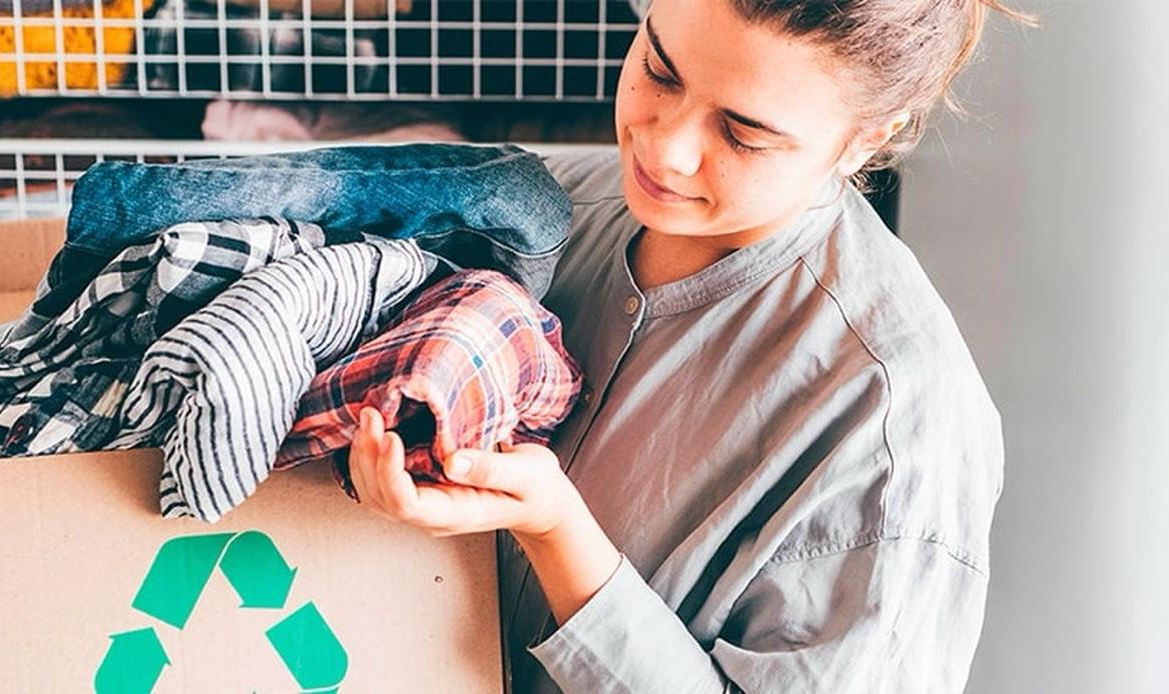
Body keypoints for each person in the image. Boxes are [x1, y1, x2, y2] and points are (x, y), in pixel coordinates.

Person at [344, 0, 1034, 691]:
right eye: (659, 70)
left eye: (743, 134)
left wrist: (557, 534)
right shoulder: (549, 208)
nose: (665, 149)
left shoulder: (894, 427)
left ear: (867, 138)